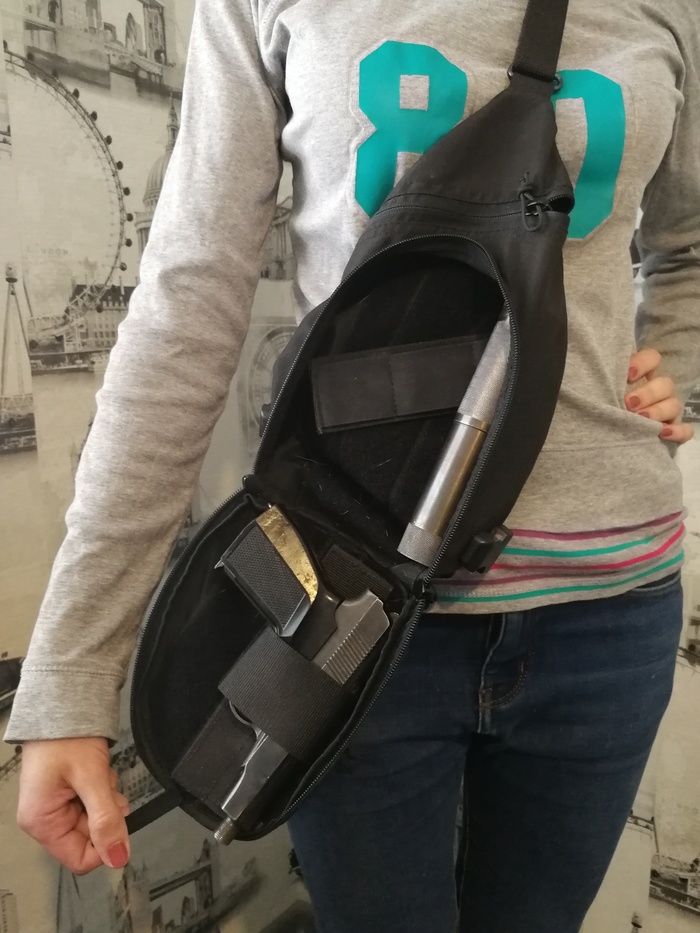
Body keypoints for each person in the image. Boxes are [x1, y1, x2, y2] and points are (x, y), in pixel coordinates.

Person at [5, 1, 699, 930]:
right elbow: (188, 299)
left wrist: (673, 363)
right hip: (348, 605)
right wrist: (73, 669)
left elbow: (687, 243)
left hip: (609, 614)